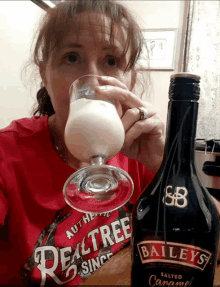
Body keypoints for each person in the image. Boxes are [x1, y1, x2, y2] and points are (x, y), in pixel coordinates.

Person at [0, 0, 219, 286]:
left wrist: (166, 165)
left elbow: (208, 241)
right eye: (71, 57)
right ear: (44, 75)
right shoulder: (8, 155)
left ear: (130, 80)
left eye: (112, 61)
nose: (93, 80)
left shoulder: (136, 153)